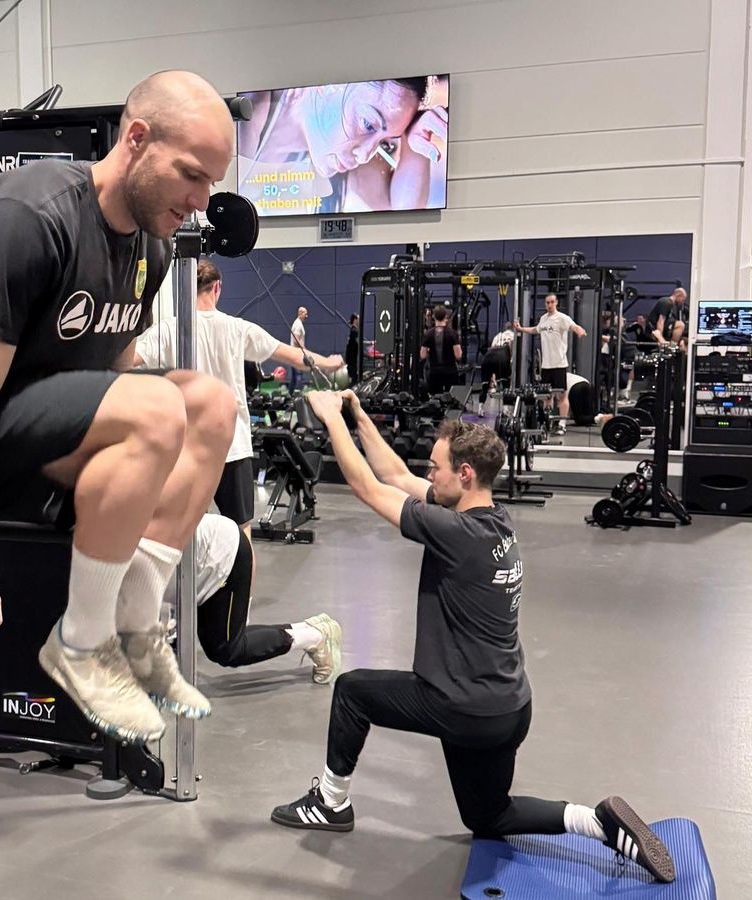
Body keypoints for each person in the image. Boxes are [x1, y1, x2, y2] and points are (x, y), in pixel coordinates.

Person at [0, 70, 240, 744]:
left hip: (37, 415)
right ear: (136, 139)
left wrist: (169, 466)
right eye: (192, 175)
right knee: (162, 408)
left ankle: (136, 629)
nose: (200, 203)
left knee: (212, 405)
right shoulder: (32, 214)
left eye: (211, 185)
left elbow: (115, 367)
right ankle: (81, 644)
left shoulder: (153, 247)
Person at [268, 390, 677, 885]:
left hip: (462, 708)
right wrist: (358, 415)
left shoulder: (454, 533)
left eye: (437, 467)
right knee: (487, 817)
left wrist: (330, 418)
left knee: (353, 691)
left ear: (464, 474)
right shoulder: (492, 521)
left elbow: (365, 487)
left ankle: (331, 803)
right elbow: (396, 475)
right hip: (509, 707)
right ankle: (596, 823)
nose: (429, 474)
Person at [135, 259, 343, 537]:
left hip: (187, 449)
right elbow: (295, 356)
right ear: (217, 287)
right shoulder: (238, 328)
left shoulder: (167, 330)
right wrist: (329, 362)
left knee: (180, 532)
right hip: (231, 445)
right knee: (242, 532)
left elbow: (124, 361)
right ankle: (240, 581)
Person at [166, 513, 342, 682]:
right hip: (205, 555)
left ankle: (315, 637)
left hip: (222, 555)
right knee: (217, 641)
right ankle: (308, 627)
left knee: (227, 649)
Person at [236, 76, 450, 214]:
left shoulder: (341, 152)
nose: (365, 155)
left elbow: (406, 212)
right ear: (326, 84)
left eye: (385, 141)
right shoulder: (251, 108)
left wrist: (415, 142)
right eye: (367, 123)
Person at [513, 294, 586, 435]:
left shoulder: (562, 318)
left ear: (556, 303)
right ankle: (548, 421)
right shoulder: (543, 319)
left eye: (552, 302)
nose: (550, 305)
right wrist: (521, 329)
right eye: (547, 302)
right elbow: (536, 330)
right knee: (547, 396)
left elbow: (573, 326)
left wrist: (579, 330)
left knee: (562, 395)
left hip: (559, 364)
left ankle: (562, 423)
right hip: (546, 365)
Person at [421, 304, 462, 398]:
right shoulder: (453, 333)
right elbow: (458, 355)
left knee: (435, 399)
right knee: (450, 399)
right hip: (450, 372)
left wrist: (429, 352)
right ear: (446, 317)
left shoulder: (428, 334)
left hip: (434, 372)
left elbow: (422, 355)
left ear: (434, 317)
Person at [288, 306, 310, 392]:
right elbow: (296, 339)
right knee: (298, 376)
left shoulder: (298, 323)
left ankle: (290, 395)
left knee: (294, 377)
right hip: (296, 355)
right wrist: (304, 350)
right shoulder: (298, 324)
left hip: (295, 353)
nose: (306, 316)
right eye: (305, 314)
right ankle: (297, 397)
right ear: (300, 313)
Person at [345, 313, 362, 384]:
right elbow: (358, 341)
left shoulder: (354, 330)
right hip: (351, 356)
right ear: (355, 320)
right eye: (358, 319)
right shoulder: (354, 331)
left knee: (353, 374)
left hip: (352, 356)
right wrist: (370, 343)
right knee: (353, 375)